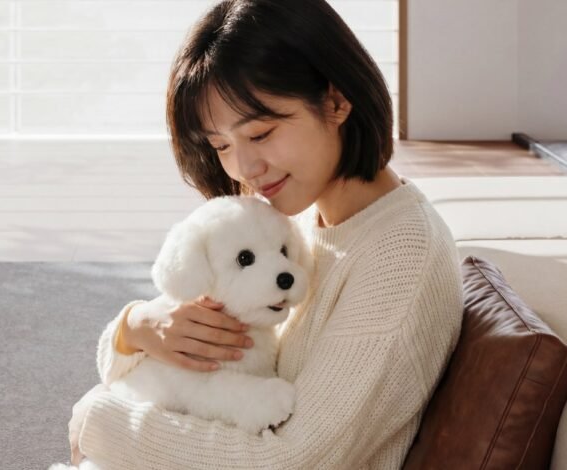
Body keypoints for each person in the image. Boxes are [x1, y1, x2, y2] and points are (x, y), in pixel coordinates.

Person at [68, 0, 464, 468]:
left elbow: (289, 460)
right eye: (221, 145)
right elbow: (137, 362)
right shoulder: (298, 218)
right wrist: (136, 327)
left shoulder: (400, 258)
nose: (243, 168)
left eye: (260, 134)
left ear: (336, 102)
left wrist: (98, 420)